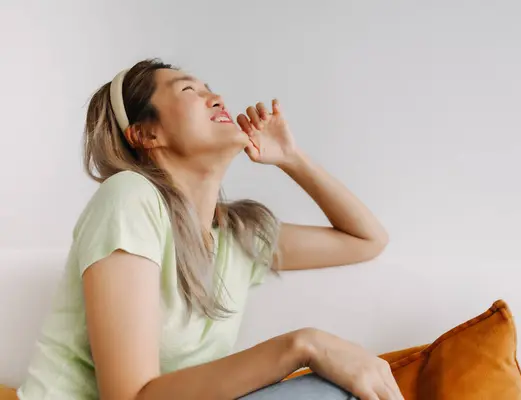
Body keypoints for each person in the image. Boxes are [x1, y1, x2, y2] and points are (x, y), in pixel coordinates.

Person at [17, 59, 401, 400]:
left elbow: (367, 240)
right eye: (188, 90)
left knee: (336, 388)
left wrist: (292, 159)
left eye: (209, 88)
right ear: (147, 134)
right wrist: (303, 345)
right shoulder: (129, 198)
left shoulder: (238, 237)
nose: (215, 97)